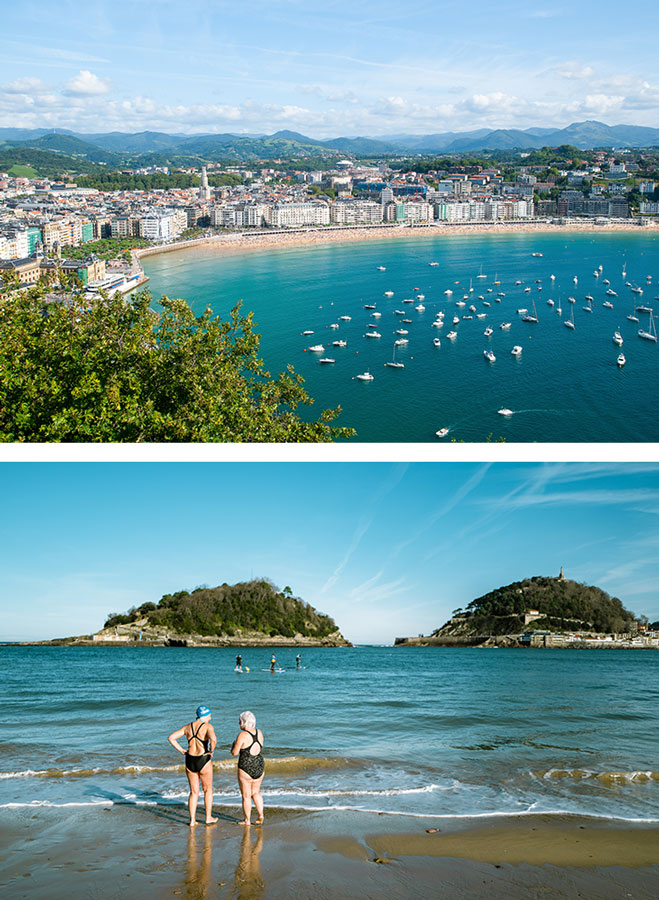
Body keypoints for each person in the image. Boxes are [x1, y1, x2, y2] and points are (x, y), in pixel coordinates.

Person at [168, 705, 218, 827]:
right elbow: (214, 740)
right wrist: (211, 751)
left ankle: (192, 821)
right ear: (205, 715)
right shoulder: (207, 727)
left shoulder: (187, 727)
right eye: (210, 716)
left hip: (190, 759)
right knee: (208, 790)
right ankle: (208, 818)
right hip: (203, 759)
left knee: (194, 792)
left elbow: (171, 738)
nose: (210, 718)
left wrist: (181, 750)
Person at [231, 710, 265, 826]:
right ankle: (260, 814)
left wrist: (233, 746)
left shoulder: (242, 735)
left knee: (246, 796)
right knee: (256, 792)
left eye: (240, 721)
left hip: (246, 766)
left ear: (244, 722)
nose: (239, 723)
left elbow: (235, 753)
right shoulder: (259, 732)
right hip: (259, 764)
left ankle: (247, 820)